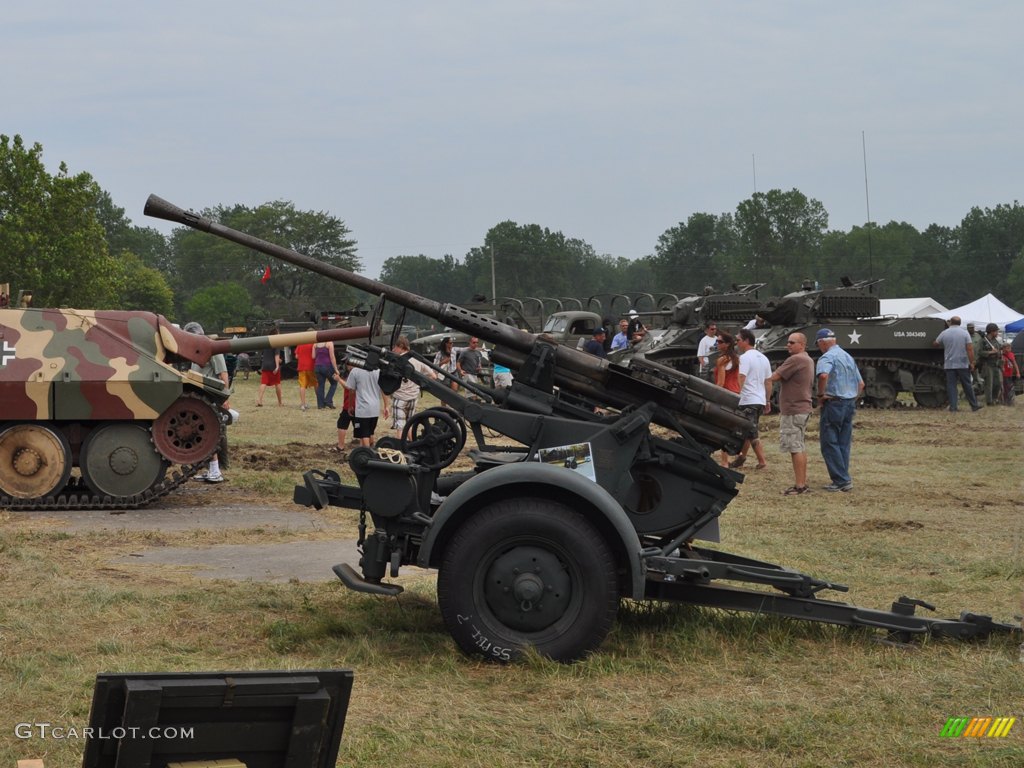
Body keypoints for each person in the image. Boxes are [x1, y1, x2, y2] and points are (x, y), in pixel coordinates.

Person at [815, 328, 865, 492]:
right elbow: (861, 384)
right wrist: (852, 398)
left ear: (822, 342)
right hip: (848, 403)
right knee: (843, 442)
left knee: (829, 442)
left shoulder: (827, 357)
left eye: (818, 344)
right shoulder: (847, 356)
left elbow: (823, 376)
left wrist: (821, 394)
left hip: (834, 403)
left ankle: (841, 480)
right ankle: (843, 476)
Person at [768, 332, 814, 495]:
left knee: (795, 447)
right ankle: (801, 483)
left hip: (794, 409)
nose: (788, 344)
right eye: (788, 342)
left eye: (792, 342)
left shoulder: (796, 359)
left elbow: (773, 376)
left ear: (802, 344)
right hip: (801, 408)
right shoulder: (807, 358)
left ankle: (800, 486)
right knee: (799, 446)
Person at [183, 321, 230, 483]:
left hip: (211, 395)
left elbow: (223, 375)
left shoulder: (212, 349)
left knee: (210, 434)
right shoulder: (194, 350)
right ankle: (209, 470)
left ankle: (216, 471)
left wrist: (225, 398)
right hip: (199, 397)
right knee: (201, 434)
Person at [729, 328, 771, 470]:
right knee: (748, 431)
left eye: (738, 340)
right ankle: (741, 458)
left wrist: (737, 394)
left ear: (746, 341)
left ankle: (762, 461)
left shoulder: (745, 358)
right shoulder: (763, 358)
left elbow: (741, 376)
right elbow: (768, 381)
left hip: (748, 399)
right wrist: (768, 400)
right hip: (759, 399)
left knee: (751, 432)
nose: (737, 343)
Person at [390, 336, 436, 437]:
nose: (393, 350)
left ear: (401, 346)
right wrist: (419, 385)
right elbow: (433, 376)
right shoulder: (417, 360)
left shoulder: (396, 360)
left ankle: (402, 448)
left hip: (399, 398)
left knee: (400, 427)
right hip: (413, 398)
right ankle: (411, 446)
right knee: (409, 425)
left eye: (395, 347)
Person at [933, 316, 981, 412]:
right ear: (960, 323)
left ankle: (953, 407)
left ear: (951, 322)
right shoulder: (965, 333)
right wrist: (972, 362)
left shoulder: (944, 333)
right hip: (962, 363)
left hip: (949, 363)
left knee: (951, 386)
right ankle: (974, 405)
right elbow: (970, 349)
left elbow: (936, 343)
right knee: (967, 385)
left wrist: (935, 343)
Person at [339, 363, 389, 448]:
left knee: (363, 434)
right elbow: (383, 390)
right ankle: (369, 449)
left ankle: (367, 453)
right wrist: (386, 406)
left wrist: (350, 406)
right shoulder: (378, 371)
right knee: (370, 432)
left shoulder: (355, 371)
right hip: (375, 409)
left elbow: (351, 390)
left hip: (363, 409)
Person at [713, 331, 741, 468]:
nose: (717, 344)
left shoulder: (722, 360)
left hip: (726, 395)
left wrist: (714, 396)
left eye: (720, 342)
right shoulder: (736, 358)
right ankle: (741, 455)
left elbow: (720, 382)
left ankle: (724, 461)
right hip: (736, 394)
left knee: (723, 429)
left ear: (727, 344)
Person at [978, 323, 1003, 406]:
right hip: (987, 364)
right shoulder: (983, 341)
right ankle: (989, 401)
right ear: (991, 331)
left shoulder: (995, 341)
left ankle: (995, 398)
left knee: (998, 383)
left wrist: (1000, 352)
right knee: (989, 383)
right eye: (996, 331)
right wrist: (990, 352)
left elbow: (999, 349)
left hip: (996, 364)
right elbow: (979, 352)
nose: (997, 333)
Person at [313, 340, 339, 408]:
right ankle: (328, 400)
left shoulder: (315, 344)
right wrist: (336, 369)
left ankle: (320, 405)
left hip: (317, 367)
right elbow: (332, 357)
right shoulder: (329, 343)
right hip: (327, 366)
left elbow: (313, 356)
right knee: (334, 383)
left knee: (321, 385)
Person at [295, 338, 316, 411]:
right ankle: (320, 402)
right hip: (311, 367)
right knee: (316, 384)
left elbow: (296, 356)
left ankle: (303, 404)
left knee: (302, 385)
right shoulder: (313, 343)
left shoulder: (300, 342)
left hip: (301, 367)